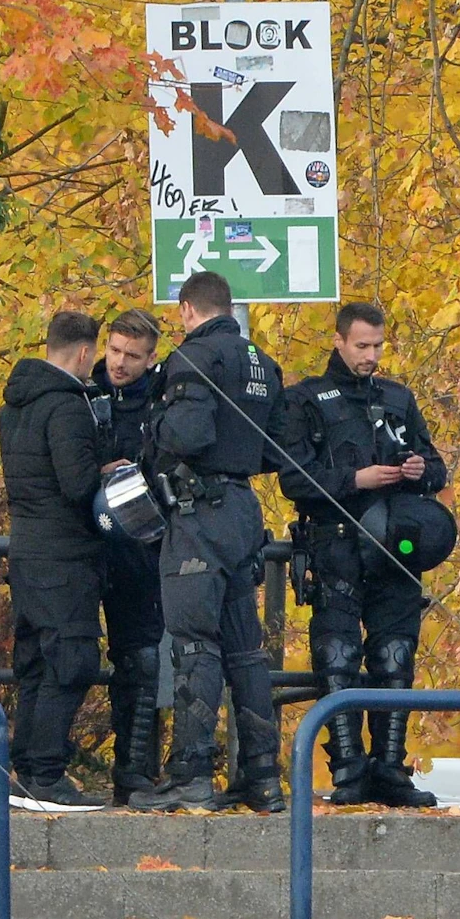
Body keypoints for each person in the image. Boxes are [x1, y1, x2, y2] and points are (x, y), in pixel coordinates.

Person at [279, 302, 447, 808]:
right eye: (362, 346)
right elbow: (293, 478)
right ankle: (348, 767)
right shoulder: (306, 399)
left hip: (396, 543)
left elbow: (436, 468)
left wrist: (420, 469)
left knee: (396, 654)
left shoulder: (398, 398)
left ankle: (390, 767)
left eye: (377, 346)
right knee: (338, 655)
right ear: (338, 341)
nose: (371, 355)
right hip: (336, 541)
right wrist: (355, 480)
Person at [132, 273, 288, 813]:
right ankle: (263, 778)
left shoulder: (194, 358)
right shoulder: (262, 363)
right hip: (245, 509)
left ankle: (191, 774)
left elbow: (187, 435)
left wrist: (156, 431)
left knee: (195, 642)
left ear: (186, 309)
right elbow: (279, 449)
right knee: (246, 647)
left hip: (199, 514)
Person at [0, 310, 106, 809]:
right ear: (84, 353)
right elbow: (78, 483)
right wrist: (108, 467)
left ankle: (23, 769)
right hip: (64, 555)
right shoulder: (65, 407)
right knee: (72, 660)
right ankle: (46, 774)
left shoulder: (16, 405)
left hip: (26, 549)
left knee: (36, 662)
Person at [90, 308, 167, 805]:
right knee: (66, 658)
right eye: (114, 351)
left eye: (131, 356)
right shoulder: (83, 394)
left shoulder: (160, 404)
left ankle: (135, 772)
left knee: (141, 662)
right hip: (86, 542)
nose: (120, 363)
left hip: (140, 547)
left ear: (150, 358)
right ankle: (47, 766)